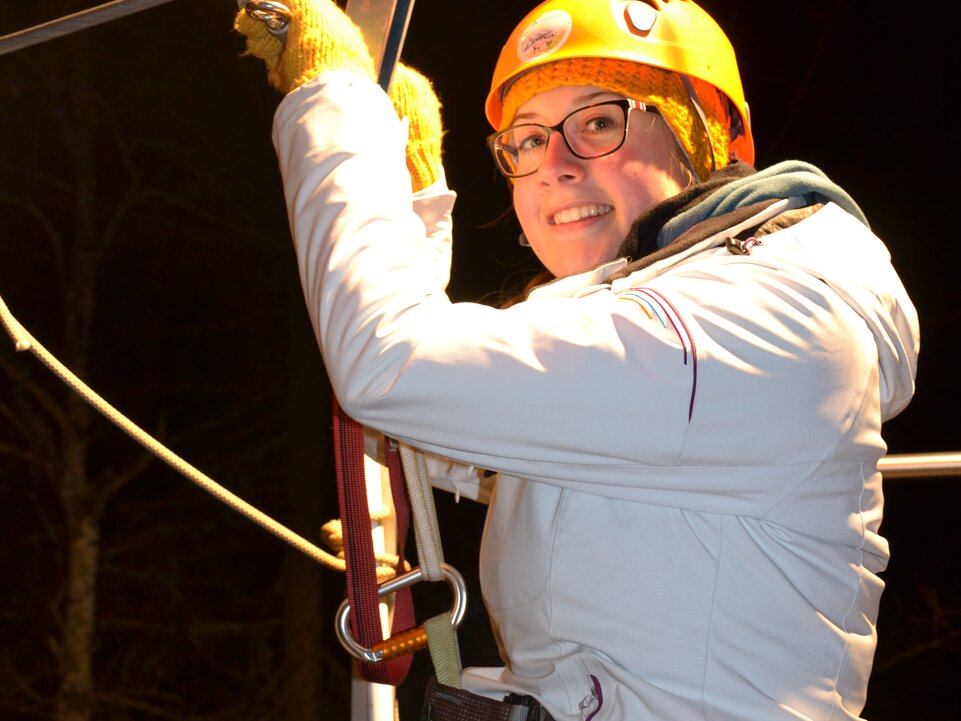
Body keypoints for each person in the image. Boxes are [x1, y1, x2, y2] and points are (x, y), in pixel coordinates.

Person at [234, 0, 920, 719]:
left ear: (709, 138)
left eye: (597, 122)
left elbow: (393, 366)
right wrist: (407, 189)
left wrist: (337, 105)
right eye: (524, 142)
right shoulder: (659, 322)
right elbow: (440, 413)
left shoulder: (762, 318)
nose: (552, 167)